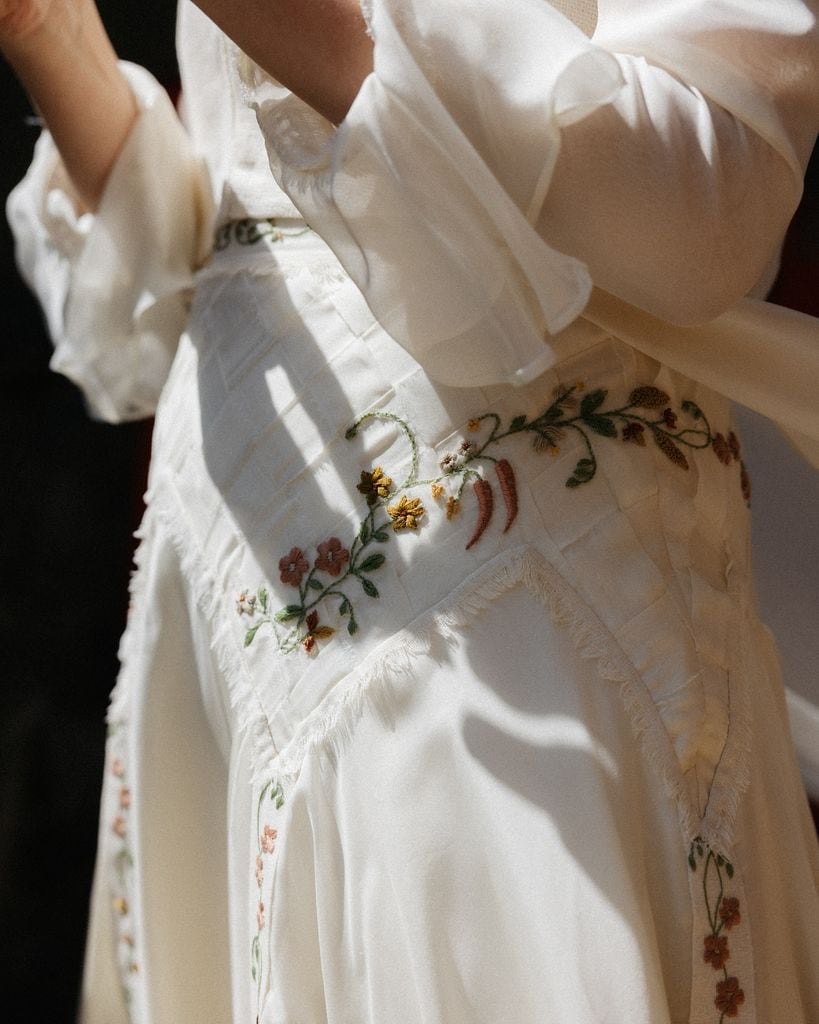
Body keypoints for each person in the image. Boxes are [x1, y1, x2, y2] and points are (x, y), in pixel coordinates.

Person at [3, 1, 819, 1021]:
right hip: (230, 601)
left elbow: (709, 203)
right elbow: (224, 204)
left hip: (496, 617)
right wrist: (49, 34)